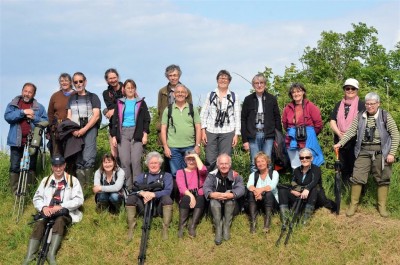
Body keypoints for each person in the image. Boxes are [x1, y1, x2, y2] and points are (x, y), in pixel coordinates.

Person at [334, 92, 399, 217]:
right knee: (357, 177)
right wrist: (340, 144)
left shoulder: (385, 116)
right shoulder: (360, 116)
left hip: (381, 151)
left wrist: (392, 153)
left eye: (372, 104)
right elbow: (350, 132)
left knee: (383, 178)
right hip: (363, 151)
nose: (369, 106)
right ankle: (353, 205)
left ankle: (382, 207)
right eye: (367, 104)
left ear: (378, 104)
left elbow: (395, 135)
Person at [22, 155, 84, 265]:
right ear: (52, 167)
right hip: (48, 212)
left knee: (59, 221)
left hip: (63, 212)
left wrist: (62, 206)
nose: (58, 169)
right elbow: (37, 198)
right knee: (40, 223)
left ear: (64, 166)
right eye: (56, 166)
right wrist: (43, 207)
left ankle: (51, 254)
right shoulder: (45, 181)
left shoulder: (72, 180)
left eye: (60, 165)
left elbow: (79, 200)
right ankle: (29, 256)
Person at [4, 82, 48, 194]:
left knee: (31, 167)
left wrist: (34, 117)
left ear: (34, 94)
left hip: (33, 142)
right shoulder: (14, 104)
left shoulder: (39, 107)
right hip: (16, 141)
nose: (27, 94)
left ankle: (28, 193)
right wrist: (23, 112)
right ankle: (16, 193)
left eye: (30, 92)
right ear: (22, 91)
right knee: (14, 167)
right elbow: (8, 117)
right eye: (25, 91)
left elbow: (45, 121)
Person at [111, 79, 150, 190]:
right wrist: (114, 136)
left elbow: (146, 119)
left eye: (132, 87)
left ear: (135, 89)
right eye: (128, 87)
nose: (130, 90)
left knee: (136, 161)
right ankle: (128, 188)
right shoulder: (119, 102)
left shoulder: (141, 102)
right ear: (124, 89)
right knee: (125, 161)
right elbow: (114, 120)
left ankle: (137, 188)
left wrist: (145, 133)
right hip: (122, 133)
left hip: (136, 133)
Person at [125, 152, 173, 241]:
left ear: (160, 164)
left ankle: (165, 228)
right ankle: (131, 227)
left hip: (158, 207)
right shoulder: (141, 176)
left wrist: (154, 194)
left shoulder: (167, 176)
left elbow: (168, 191)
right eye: (151, 163)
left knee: (167, 199)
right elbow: (132, 190)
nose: (153, 165)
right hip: (143, 206)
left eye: (156, 163)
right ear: (147, 164)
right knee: (131, 198)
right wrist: (142, 193)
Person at [200, 70, 241, 170]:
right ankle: (212, 182)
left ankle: (224, 183)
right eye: (220, 78)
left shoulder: (234, 96)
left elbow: (237, 116)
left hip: (228, 131)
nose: (223, 80)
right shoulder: (210, 95)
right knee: (210, 159)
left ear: (229, 81)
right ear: (217, 80)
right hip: (211, 130)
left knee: (225, 160)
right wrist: (203, 131)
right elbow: (203, 114)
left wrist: (236, 134)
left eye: (225, 78)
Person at [66, 72, 101, 189]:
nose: (78, 84)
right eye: (75, 82)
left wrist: (85, 129)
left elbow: (96, 115)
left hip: (89, 129)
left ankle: (89, 186)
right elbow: (68, 116)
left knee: (88, 157)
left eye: (80, 81)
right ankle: (81, 187)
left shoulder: (93, 97)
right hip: (75, 130)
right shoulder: (71, 98)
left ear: (85, 82)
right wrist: (72, 130)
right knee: (79, 158)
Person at [241, 73, 282, 172]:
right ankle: (254, 186)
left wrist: (279, 137)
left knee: (268, 162)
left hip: (269, 135)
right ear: (253, 85)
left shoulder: (272, 99)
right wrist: (244, 140)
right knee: (254, 163)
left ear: (265, 84)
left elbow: (277, 118)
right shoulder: (248, 99)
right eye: (256, 83)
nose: (259, 85)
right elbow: (243, 120)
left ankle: (268, 186)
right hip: (253, 135)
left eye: (261, 83)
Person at [203, 153, 245, 245]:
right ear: (218, 165)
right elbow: (206, 187)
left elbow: (241, 188)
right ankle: (218, 227)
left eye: (226, 163)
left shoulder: (236, 175)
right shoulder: (211, 175)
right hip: (215, 207)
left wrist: (232, 195)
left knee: (230, 201)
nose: (224, 166)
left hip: (232, 206)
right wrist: (212, 194)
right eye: (221, 164)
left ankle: (226, 226)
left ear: (230, 165)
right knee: (213, 201)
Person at [161, 84, 201, 178]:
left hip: (190, 146)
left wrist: (198, 145)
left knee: (190, 172)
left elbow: (198, 127)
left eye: (182, 92)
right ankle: (179, 193)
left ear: (186, 94)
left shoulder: (192, 109)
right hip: (173, 148)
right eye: (178, 92)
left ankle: (189, 193)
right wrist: (165, 147)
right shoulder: (168, 109)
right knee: (176, 174)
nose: (180, 94)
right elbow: (163, 129)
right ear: (174, 94)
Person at [329, 78, 365, 184]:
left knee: (355, 166)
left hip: (355, 141)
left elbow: (363, 123)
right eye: (347, 88)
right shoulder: (338, 104)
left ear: (357, 90)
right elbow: (332, 120)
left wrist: (348, 135)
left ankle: (357, 192)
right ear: (344, 89)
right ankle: (344, 190)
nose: (350, 90)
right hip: (339, 140)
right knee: (343, 167)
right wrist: (339, 133)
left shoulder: (362, 105)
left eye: (352, 88)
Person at [282, 83, 324, 170]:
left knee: (309, 162)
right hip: (292, 139)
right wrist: (293, 132)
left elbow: (318, 124)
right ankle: (297, 182)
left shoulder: (311, 106)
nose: (296, 94)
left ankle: (311, 182)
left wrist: (309, 133)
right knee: (295, 164)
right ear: (291, 94)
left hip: (308, 138)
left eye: (298, 91)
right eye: (293, 92)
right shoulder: (287, 108)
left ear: (303, 92)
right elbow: (285, 124)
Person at [278, 148, 321, 227]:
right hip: (299, 195)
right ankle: (285, 219)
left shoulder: (316, 169)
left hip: (312, 197)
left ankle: (305, 220)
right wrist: (293, 191)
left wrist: (307, 189)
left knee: (314, 189)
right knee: (282, 190)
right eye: (302, 158)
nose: (304, 159)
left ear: (311, 158)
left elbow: (314, 181)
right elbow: (293, 183)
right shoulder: (296, 170)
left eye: (307, 157)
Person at [176, 150, 207, 238]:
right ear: (185, 161)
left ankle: (192, 226)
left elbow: (204, 170)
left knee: (201, 198)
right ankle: (182, 226)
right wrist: (191, 195)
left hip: (199, 195)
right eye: (189, 159)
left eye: (193, 159)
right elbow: (182, 188)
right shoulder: (180, 172)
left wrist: (196, 156)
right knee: (186, 198)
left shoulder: (200, 172)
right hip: (186, 195)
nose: (191, 161)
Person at [247, 152, 279, 233]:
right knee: (250, 193)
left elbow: (272, 186)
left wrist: (259, 191)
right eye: (258, 162)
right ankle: (253, 224)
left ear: (267, 162)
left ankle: (267, 224)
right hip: (258, 201)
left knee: (268, 193)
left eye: (262, 161)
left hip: (272, 202)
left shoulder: (274, 173)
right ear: (256, 164)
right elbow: (249, 185)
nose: (260, 163)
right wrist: (256, 192)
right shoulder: (253, 175)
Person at [47, 73, 75, 157]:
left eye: (66, 80)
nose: (64, 83)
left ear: (70, 82)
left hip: (71, 128)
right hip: (57, 128)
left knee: (71, 153)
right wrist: (49, 129)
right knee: (57, 153)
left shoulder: (76, 94)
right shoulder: (55, 96)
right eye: (62, 81)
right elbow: (50, 113)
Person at [103, 68, 124, 158]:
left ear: (118, 77)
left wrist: (111, 110)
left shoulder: (126, 88)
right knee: (115, 155)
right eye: (110, 78)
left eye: (114, 77)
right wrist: (106, 111)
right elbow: (110, 108)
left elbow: (130, 104)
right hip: (113, 126)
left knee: (127, 156)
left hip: (127, 125)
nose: (113, 80)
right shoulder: (106, 93)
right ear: (107, 80)